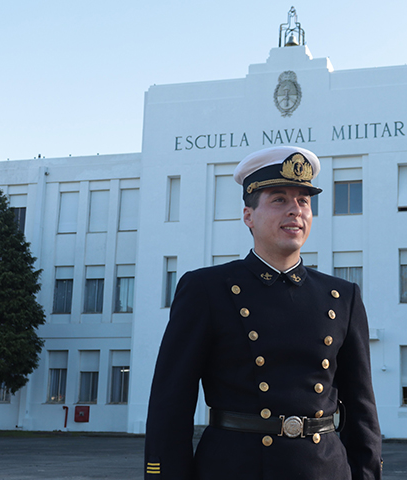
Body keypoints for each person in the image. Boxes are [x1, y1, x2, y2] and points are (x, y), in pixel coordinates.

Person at [144, 145, 382, 479]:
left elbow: (361, 410)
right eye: (279, 199)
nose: (295, 211)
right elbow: (171, 404)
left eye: (303, 201)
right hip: (234, 469)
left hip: (325, 469)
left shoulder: (342, 296)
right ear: (248, 216)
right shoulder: (207, 290)